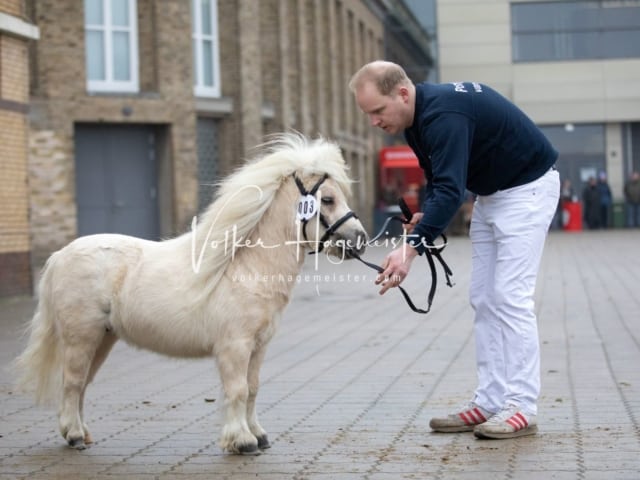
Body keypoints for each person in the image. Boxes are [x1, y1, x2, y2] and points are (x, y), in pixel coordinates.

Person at [349, 61, 559, 439]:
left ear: (402, 92)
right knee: (483, 297)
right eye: (368, 114)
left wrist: (409, 250)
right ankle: (491, 401)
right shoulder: (416, 118)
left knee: (510, 297)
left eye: (378, 111)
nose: (374, 122)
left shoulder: (443, 113)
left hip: (527, 191)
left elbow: (450, 189)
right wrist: (426, 218)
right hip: (492, 195)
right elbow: (440, 180)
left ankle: (523, 407)